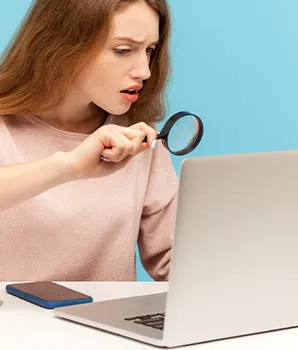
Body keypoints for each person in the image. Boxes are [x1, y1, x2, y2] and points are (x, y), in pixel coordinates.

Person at [0, 0, 178, 281]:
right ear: (63, 45)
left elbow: (174, 262)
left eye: (149, 50)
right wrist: (68, 167)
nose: (144, 70)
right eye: (123, 50)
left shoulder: (137, 135)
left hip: (106, 323)